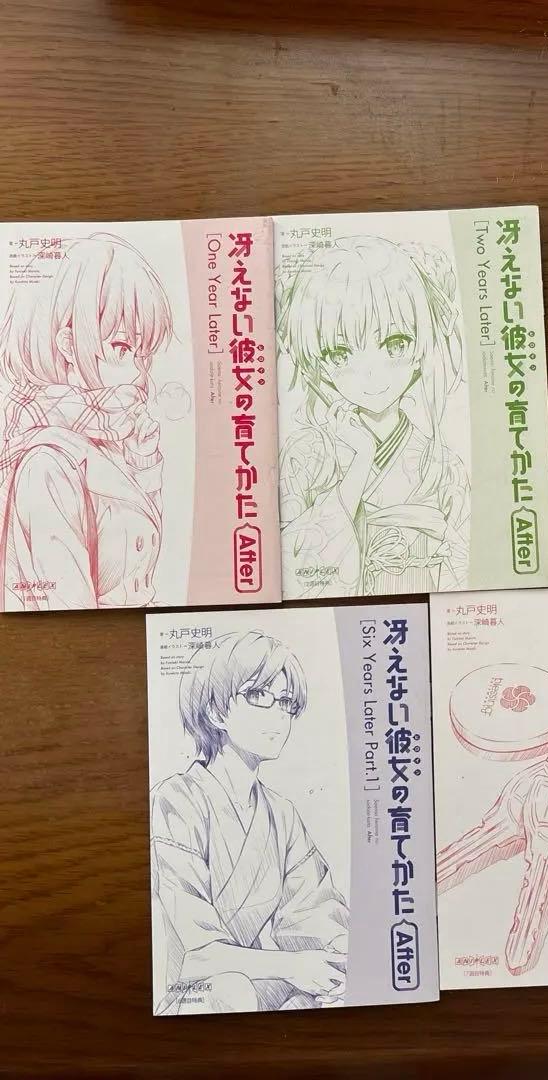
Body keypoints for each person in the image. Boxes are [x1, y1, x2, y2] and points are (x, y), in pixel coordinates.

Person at [150, 631, 348, 1013]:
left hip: (258, 984)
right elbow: (196, 953)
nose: (278, 715)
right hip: (193, 996)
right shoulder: (174, 802)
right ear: (216, 711)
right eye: (258, 695)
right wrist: (293, 967)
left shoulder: (281, 814)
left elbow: (315, 913)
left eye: (286, 702)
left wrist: (339, 955)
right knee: (231, 990)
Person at [277, 235, 469, 597]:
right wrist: (360, 463)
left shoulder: (442, 466)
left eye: (395, 344)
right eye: (339, 353)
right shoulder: (306, 456)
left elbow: (472, 568)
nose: (371, 374)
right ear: (318, 363)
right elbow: (290, 569)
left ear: (421, 347)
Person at [0, 234, 173, 609]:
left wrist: (142, 465)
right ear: (67, 344)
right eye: (122, 348)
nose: (140, 375)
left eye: (144, 354)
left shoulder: (109, 436)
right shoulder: (47, 463)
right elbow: (69, 608)